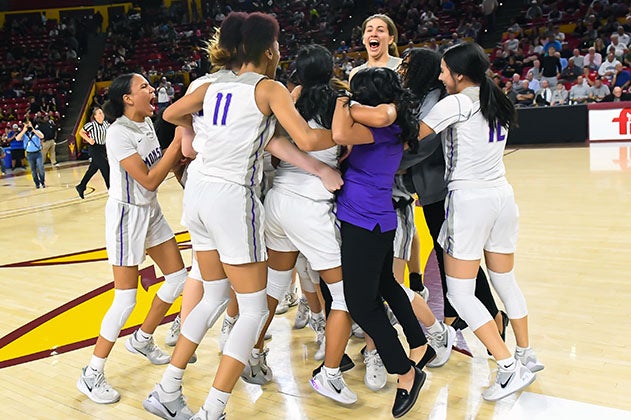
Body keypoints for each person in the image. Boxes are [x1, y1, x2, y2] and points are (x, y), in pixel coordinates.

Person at [162, 12, 343, 420]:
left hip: (198, 195)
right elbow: (310, 138)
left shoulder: (211, 85)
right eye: (278, 45)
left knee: (211, 295)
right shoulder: (269, 87)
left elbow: (172, 113)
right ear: (267, 50)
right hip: (231, 197)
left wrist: (192, 131)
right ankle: (213, 409)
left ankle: (168, 387)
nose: (280, 52)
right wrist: (359, 130)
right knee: (255, 310)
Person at [418, 42, 543, 402]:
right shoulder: (496, 98)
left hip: (469, 201)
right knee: (505, 280)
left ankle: (507, 368)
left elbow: (415, 136)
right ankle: (525, 353)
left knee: (459, 292)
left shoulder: (456, 102)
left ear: (459, 74)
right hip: (503, 197)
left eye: (443, 71)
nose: (440, 77)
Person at [249, 44, 356, 404]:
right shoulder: (340, 102)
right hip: (309, 203)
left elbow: (274, 141)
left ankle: (253, 351)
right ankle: (330, 374)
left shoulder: (288, 102)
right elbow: (347, 144)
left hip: (276, 200)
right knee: (344, 295)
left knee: (274, 287)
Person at [76, 73, 187, 405]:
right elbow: (150, 179)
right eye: (144, 87)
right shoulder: (118, 133)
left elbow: (160, 170)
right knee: (124, 300)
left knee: (179, 277)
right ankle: (91, 373)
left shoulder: (147, 124)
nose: (152, 90)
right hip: (126, 218)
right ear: (127, 98)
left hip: (149, 212)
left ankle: (143, 336)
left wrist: (179, 159)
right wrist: (178, 144)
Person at [332, 66, 431, 418]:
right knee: (386, 284)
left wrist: (342, 100)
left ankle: (405, 372)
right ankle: (420, 342)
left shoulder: (380, 128)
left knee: (360, 304)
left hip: (364, 220)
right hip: (377, 219)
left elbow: (338, 129)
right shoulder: (389, 124)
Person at [398, 47, 508, 348]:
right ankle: (459, 315)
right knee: (450, 250)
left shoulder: (436, 98)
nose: (403, 68)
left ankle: (485, 315)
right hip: (434, 187)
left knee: (455, 253)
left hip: (444, 188)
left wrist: (392, 166)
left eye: (408, 64)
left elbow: (423, 144)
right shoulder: (425, 94)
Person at [76, 107, 110, 199]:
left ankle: (81, 186)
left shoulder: (106, 124)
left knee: (92, 169)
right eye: (99, 113)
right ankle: (111, 191)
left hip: (103, 149)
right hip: (94, 148)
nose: (101, 114)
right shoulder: (91, 125)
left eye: (102, 113)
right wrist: (88, 140)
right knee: (105, 168)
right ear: (95, 116)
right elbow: (81, 132)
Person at [17, 121, 45, 188]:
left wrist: (33, 129)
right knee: (33, 170)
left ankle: (42, 181)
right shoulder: (24, 134)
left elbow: (42, 136)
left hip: (38, 153)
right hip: (29, 154)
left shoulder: (36, 131)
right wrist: (24, 130)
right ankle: (37, 183)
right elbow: (17, 138)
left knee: (41, 168)